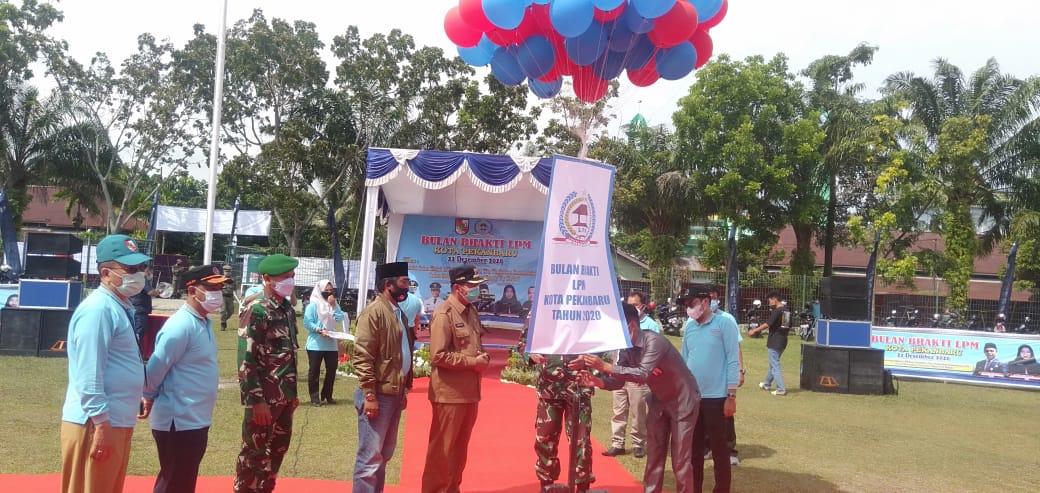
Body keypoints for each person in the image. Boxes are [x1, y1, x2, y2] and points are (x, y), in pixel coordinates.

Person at [575, 303, 701, 493]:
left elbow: (642, 374)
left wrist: (606, 367)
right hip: (659, 401)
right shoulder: (626, 348)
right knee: (654, 455)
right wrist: (598, 381)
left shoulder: (654, 342)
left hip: (684, 401)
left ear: (631, 326)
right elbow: (619, 381)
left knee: (680, 460)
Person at [60, 234, 152, 493]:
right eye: (130, 269)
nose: (138, 274)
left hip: (115, 420)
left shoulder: (119, 306)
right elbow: (89, 374)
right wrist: (101, 424)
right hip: (95, 422)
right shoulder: (98, 310)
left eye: (139, 268)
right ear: (105, 273)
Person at [140, 264, 228, 493]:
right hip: (178, 420)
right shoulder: (180, 326)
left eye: (219, 288)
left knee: (183, 481)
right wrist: (147, 395)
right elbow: (157, 367)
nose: (217, 294)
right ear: (192, 291)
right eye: (210, 288)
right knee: (174, 482)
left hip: (195, 417)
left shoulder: (202, 321)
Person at [421, 265, 492, 493]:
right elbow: (438, 355)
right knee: (442, 451)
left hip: (469, 392)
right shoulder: (444, 314)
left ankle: (452, 489)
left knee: (459, 451)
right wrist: (473, 363)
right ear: (457, 288)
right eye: (471, 287)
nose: (476, 291)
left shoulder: (470, 311)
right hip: (450, 394)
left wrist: (482, 357)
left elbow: (474, 345)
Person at [234, 253, 300, 493]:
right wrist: (256, 402)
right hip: (264, 400)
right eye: (285, 277)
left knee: (277, 452)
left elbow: (289, 356)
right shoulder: (257, 310)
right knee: (254, 454)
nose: (290, 281)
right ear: (267, 279)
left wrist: (292, 395)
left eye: (292, 276)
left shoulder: (286, 309)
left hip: (284, 398)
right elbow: (246, 361)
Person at [352, 262, 415, 493]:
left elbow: (402, 352)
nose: (407, 288)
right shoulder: (374, 312)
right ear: (388, 284)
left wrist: (404, 388)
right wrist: (369, 394)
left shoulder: (397, 312)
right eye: (404, 282)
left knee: (383, 455)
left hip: (394, 393)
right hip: (377, 394)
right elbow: (363, 356)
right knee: (369, 459)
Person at [517, 316, 595, 492]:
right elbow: (523, 346)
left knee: (581, 440)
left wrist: (588, 358)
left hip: (578, 387)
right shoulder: (541, 311)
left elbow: (602, 346)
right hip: (549, 388)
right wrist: (531, 354)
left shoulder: (584, 311)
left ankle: (582, 486)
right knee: (545, 438)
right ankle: (547, 485)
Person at [679, 287, 740, 493]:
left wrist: (731, 395)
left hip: (717, 397)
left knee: (719, 450)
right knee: (694, 451)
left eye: (692, 303)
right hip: (694, 398)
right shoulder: (689, 327)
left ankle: (721, 489)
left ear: (705, 302)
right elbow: (685, 361)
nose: (689, 308)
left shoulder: (725, 323)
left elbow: (732, 360)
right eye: (686, 305)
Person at [603, 290, 655, 459]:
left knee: (638, 411)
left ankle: (638, 443)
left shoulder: (650, 326)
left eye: (635, 305)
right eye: (629, 305)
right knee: (618, 410)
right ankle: (617, 443)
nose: (633, 308)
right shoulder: (621, 323)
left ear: (643, 306)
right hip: (619, 372)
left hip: (637, 376)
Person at [706, 288, 746, 466]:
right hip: (704, 378)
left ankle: (730, 451)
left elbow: (735, 348)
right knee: (703, 413)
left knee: (726, 414)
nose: (712, 301)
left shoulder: (727, 319)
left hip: (722, 376)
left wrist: (740, 370)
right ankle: (707, 448)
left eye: (714, 298)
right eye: (709, 299)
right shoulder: (694, 321)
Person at [304, 279, 346, 407]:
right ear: (320, 291)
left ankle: (327, 395)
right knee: (314, 371)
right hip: (316, 344)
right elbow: (307, 322)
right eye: (326, 291)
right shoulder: (313, 305)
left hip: (331, 344)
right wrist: (319, 330)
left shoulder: (333, 303)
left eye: (331, 290)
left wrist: (334, 306)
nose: (329, 293)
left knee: (331, 370)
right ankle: (315, 398)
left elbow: (340, 318)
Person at [749, 291, 788, 396]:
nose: (769, 302)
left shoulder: (777, 311)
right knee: (773, 363)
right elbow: (788, 326)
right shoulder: (786, 310)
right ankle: (766, 384)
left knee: (775, 365)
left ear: (774, 299)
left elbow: (767, 324)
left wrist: (754, 330)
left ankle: (781, 389)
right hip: (783, 340)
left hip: (775, 340)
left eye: (770, 300)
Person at [129, 265, 160, 343]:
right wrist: (158, 292)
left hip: (132, 307)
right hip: (141, 309)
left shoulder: (133, 277)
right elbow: (150, 292)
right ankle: (137, 351)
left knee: (133, 331)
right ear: (146, 271)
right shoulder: (143, 279)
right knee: (139, 332)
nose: (151, 274)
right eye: (151, 272)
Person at [221, 264, 237, 331]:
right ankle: (223, 324)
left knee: (231, 311)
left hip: (230, 297)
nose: (227, 272)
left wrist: (238, 297)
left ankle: (224, 320)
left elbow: (235, 289)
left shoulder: (232, 280)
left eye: (229, 271)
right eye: (226, 271)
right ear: (224, 271)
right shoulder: (220, 279)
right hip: (223, 297)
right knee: (223, 310)